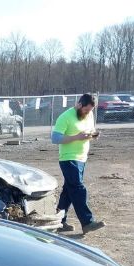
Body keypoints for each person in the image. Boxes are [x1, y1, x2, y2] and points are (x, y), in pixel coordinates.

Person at [51, 93, 105, 234]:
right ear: (79, 104)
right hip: (68, 158)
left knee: (68, 192)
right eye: (86, 110)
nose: (88, 113)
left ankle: (58, 222)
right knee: (78, 188)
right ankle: (87, 222)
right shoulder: (65, 117)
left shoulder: (89, 115)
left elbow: (89, 130)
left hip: (82, 158)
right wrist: (76, 137)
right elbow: (55, 138)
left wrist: (93, 135)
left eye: (90, 111)